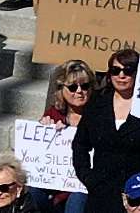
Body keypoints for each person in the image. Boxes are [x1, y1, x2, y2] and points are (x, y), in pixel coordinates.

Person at [73, 49, 140, 213]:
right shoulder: (96, 104)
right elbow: (80, 145)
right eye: (116, 70)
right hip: (100, 194)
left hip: (134, 196)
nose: (121, 75)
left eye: (128, 70)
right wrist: (88, 177)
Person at [28, 60, 95, 213]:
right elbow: (38, 160)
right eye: (72, 87)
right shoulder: (53, 114)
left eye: (84, 86)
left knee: (77, 200)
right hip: (54, 185)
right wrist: (43, 130)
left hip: (83, 186)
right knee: (32, 193)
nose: (79, 91)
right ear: (61, 90)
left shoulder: (98, 116)